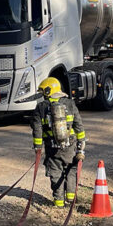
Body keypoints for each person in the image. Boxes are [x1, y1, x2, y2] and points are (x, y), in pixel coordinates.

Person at [31, 77, 86, 207]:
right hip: (70, 146)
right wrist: (81, 141)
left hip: (52, 147)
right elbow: (78, 124)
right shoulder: (70, 104)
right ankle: (71, 199)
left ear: (47, 92)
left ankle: (59, 202)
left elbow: (37, 128)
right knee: (71, 170)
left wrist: (38, 147)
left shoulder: (41, 107)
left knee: (56, 172)